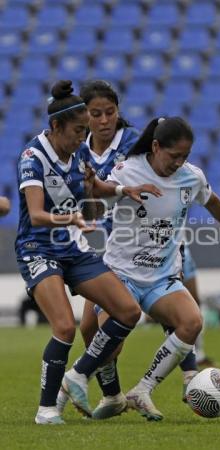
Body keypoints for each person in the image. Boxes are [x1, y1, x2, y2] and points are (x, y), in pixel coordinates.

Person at [62, 117, 220, 421]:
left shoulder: (191, 177)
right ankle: (103, 393)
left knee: (192, 322)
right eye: (173, 155)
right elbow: (97, 210)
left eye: (185, 157)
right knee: (105, 345)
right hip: (120, 274)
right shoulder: (128, 170)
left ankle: (142, 390)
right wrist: (90, 193)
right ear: (155, 147)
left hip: (161, 277)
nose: (179, 163)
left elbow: (213, 201)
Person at [56, 81, 214, 419]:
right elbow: (90, 205)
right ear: (85, 116)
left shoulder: (133, 144)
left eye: (109, 112)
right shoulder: (79, 148)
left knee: (157, 309)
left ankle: (185, 375)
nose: (103, 120)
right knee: (91, 329)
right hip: (113, 246)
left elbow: (171, 184)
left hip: (152, 244)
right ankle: (113, 396)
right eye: (95, 114)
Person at [15, 79, 161, 425]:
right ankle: (47, 409)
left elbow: (95, 186)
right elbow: (35, 215)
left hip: (74, 248)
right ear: (55, 127)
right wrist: (72, 218)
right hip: (38, 248)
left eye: (85, 131)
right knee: (65, 326)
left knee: (127, 312)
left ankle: (81, 375)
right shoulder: (32, 157)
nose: (84, 138)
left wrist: (126, 189)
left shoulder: (78, 151)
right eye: (78, 131)